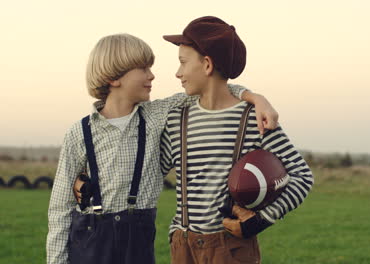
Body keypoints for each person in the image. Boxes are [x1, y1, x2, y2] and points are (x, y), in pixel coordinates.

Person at [47, 33, 277, 264]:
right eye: (143, 68)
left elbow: (214, 86)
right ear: (114, 77)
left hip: (137, 247)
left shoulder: (156, 116)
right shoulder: (78, 133)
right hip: (90, 249)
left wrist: (255, 98)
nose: (152, 75)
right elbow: (60, 208)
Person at [160, 16, 314, 264]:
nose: (177, 73)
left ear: (207, 65)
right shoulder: (178, 117)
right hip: (183, 245)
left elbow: (302, 177)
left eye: (183, 63)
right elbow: (152, 171)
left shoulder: (254, 118)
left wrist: (260, 220)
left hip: (229, 249)